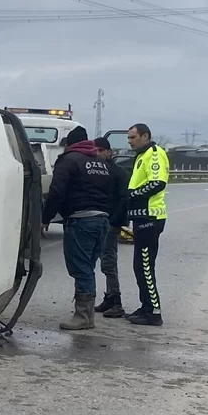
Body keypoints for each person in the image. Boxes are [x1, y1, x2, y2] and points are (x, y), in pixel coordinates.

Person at [41, 126, 115, 330]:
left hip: (81, 221)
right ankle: (87, 316)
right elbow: (112, 192)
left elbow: (57, 192)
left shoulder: (69, 160)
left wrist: (45, 218)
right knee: (88, 268)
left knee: (81, 268)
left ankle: (83, 316)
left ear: (70, 144)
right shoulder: (101, 163)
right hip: (102, 221)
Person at [125, 122, 169, 326]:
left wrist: (131, 196)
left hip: (150, 217)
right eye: (129, 138)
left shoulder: (153, 153)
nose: (130, 141)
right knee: (139, 267)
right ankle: (146, 307)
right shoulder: (141, 156)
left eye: (133, 137)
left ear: (145, 136)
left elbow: (157, 182)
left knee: (145, 267)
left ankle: (154, 312)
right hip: (141, 217)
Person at [93, 136, 129, 318]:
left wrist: (114, 220)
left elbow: (124, 199)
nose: (97, 154)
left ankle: (116, 301)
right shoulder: (97, 170)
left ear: (109, 152)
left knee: (108, 261)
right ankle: (109, 297)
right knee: (102, 260)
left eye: (101, 150)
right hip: (99, 219)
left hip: (111, 222)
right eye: (95, 151)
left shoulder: (118, 172)